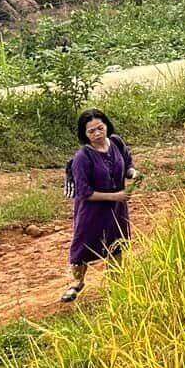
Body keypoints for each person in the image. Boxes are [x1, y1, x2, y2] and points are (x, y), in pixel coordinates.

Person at [63, 108, 139, 303]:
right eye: (91, 131)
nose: (97, 134)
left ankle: (117, 288)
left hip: (116, 209)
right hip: (92, 211)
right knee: (83, 247)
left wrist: (132, 174)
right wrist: (115, 196)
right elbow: (84, 192)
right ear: (84, 134)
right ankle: (76, 283)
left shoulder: (116, 142)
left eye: (100, 128)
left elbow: (127, 164)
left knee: (117, 244)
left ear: (106, 125)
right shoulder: (83, 157)